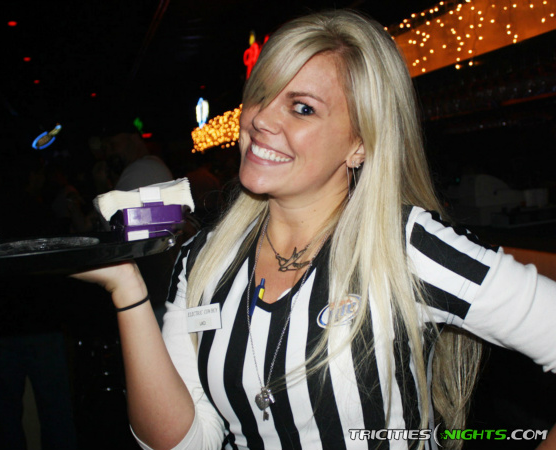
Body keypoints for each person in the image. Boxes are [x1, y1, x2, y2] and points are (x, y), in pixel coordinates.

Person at [74, 10, 556, 450]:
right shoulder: (204, 258)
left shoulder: (404, 246)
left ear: (359, 144)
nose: (260, 119)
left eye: (302, 107)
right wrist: (127, 290)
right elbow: (184, 444)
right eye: (261, 95)